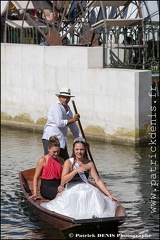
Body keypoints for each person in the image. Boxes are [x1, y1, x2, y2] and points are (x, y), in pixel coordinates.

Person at [40, 137, 119, 219]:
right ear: (73, 150)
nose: (79, 152)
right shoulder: (68, 162)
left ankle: (95, 216)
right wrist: (75, 171)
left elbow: (98, 180)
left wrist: (109, 194)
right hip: (72, 187)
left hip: (85, 186)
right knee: (81, 194)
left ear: (85, 150)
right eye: (77, 149)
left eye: (81, 149)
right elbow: (63, 180)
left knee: (95, 192)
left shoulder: (89, 163)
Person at [42, 87, 82, 160]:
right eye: (63, 97)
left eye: (67, 98)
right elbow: (59, 123)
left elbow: (74, 127)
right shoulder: (56, 107)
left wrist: (82, 140)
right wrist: (73, 119)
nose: (65, 99)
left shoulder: (68, 109)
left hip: (61, 140)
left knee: (65, 161)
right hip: (50, 139)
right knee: (50, 160)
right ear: (59, 97)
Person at [29, 136, 64, 200]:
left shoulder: (61, 160)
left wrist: (62, 185)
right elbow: (36, 177)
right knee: (61, 195)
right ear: (48, 149)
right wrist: (35, 193)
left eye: (58, 152)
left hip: (58, 185)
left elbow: (64, 176)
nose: (56, 154)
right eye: (54, 152)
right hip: (46, 187)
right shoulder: (43, 160)